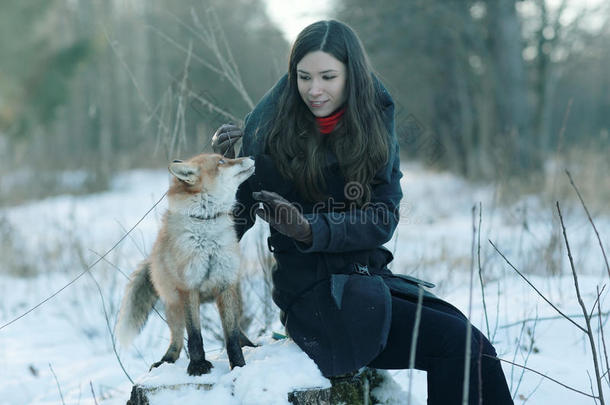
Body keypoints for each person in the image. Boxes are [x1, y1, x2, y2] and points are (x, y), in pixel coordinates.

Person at [212, 19, 513, 405]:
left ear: (351, 75)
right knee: (457, 344)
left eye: (327, 77)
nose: (314, 90)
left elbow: (381, 219)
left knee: (474, 345)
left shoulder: (373, 119)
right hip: (315, 300)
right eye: (304, 77)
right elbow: (227, 231)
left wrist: (310, 229)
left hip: (370, 282)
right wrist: (222, 177)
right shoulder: (269, 129)